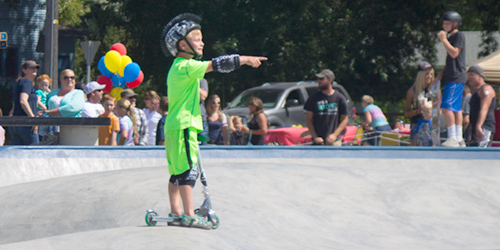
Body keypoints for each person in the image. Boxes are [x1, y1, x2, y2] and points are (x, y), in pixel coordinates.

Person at [161, 13, 267, 229]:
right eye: (197, 38)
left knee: (176, 172)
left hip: (173, 126)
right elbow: (218, 64)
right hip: (184, 126)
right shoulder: (186, 66)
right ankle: (189, 214)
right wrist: (245, 59)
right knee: (189, 171)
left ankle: (176, 212)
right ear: (183, 44)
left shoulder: (176, 68)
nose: (203, 42)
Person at [434, 11, 466, 147]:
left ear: (455, 24)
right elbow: (450, 62)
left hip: (455, 77)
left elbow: (454, 53)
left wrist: (443, 39)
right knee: (456, 108)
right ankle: (459, 137)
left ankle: (452, 137)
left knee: (446, 106)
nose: (444, 25)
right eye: (443, 23)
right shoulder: (452, 37)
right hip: (453, 75)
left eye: (447, 23)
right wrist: (439, 76)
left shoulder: (458, 35)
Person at [304, 69, 348, 146]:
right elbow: (308, 119)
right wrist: (315, 137)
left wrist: (334, 135)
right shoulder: (313, 98)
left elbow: (345, 119)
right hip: (317, 142)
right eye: (318, 79)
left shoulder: (339, 98)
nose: (319, 81)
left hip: (334, 141)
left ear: (330, 80)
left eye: (321, 79)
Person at [9, 60, 46, 145]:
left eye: (36, 68)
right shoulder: (27, 82)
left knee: (17, 155)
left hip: (16, 123)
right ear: (24, 70)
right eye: (31, 68)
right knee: (32, 154)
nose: (34, 69)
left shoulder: (20, 82)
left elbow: (15, 104)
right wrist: (33, 118)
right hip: (26, 123)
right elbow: (23, 101)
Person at [404, 61, 439, 146]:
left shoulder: (434, 90)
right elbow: (406, 113)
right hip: (417, 125)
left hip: (431, 125)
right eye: (426, 74)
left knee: (432, 153)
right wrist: (417, 111)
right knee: (414, 152)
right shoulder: (412, 91)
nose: (429, 76)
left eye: (431, 74)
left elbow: (439, 110)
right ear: (421, 75)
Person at [467, 65, 496, 147]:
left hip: (484, 128)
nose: (469, 77)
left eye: (472, 75)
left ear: (480, 76)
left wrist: (479, 126)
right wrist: (470, 134)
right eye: (468, 75)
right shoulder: (475, 91)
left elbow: (484, 109)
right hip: (475, 129)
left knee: (483, 153)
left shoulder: (486, 89)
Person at [198, 78, 209, 145]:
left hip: (201, 121)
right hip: (187, 120)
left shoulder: (201, 81)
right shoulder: (184, 80)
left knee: (203, 146)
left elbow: (203, 97)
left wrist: (194, 84)